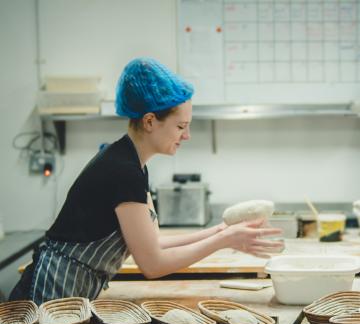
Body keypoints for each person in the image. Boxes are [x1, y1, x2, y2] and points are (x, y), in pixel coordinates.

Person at [10, 57, 283, 305]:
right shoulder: (122, 170)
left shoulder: (132, 163)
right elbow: (152, 264)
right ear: (150, 121)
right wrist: (223, 241)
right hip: (45, 296)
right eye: (180, 126)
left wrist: (220, 231)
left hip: (68, 297)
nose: (186, 136)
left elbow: (153, 242)